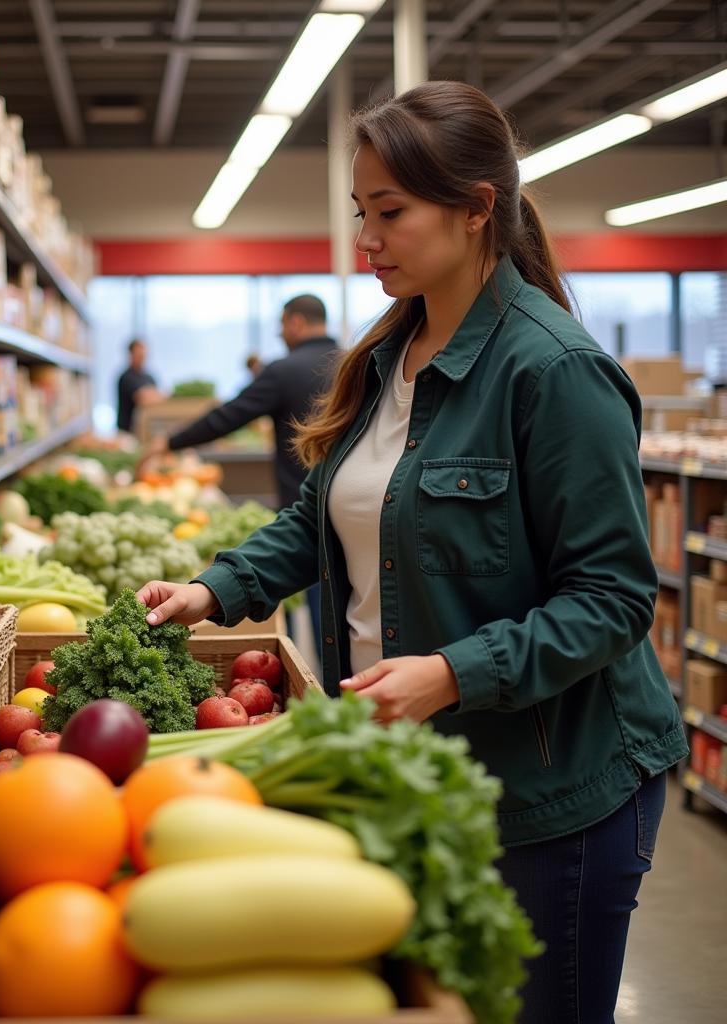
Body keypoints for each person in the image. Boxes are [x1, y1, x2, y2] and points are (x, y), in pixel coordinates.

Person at [137, 81, 687, 1024]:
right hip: (416, 773)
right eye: (363, 212)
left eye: (390, 212)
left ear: (476, 209)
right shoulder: (393, 356)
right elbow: (323, 516)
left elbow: (613, 598)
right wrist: (215, 587)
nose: (367, 238)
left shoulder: (554, 373)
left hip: (550, 791)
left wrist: (450, 672)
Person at [144, 294, 338, 643]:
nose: (281, 334)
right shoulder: (355, 363)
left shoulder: (283, 370)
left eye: (282, 325)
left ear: (295, 322)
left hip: (300, 509)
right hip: (349, 509)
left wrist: (169, 442)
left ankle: (296, 658)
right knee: (335, 617)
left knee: (296, 586)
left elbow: (228, 416)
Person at [116, 338, 162, 434]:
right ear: (131, 354)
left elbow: (159, 397)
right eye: (139, 354)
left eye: (143, 354)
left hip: (146, 428)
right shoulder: (126, 377)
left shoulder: (149, 377)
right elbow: (143, 399)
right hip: (128, 430)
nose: (142, 357)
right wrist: (155, 396)